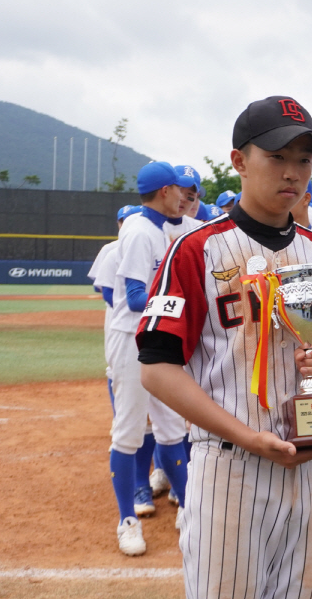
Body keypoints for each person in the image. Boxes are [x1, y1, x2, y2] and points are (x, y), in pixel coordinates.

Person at [139, 95, 312, 597]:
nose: (293, 172)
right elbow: (156, 368)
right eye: (277, 156)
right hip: (232, 466)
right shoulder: (197, 249)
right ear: (239, 160)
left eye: (303, 160)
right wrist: (247, 435)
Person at [107, 162, 196, 556]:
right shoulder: (141, 232)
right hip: (131, 338)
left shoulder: (163, 229)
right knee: (128, 429)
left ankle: (191, 508)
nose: (185, 198)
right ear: (164, 191)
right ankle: (127, 520)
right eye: (180, 190)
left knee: (172, 426)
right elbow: (136, 297)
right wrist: (183, 302)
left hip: (155, 335)